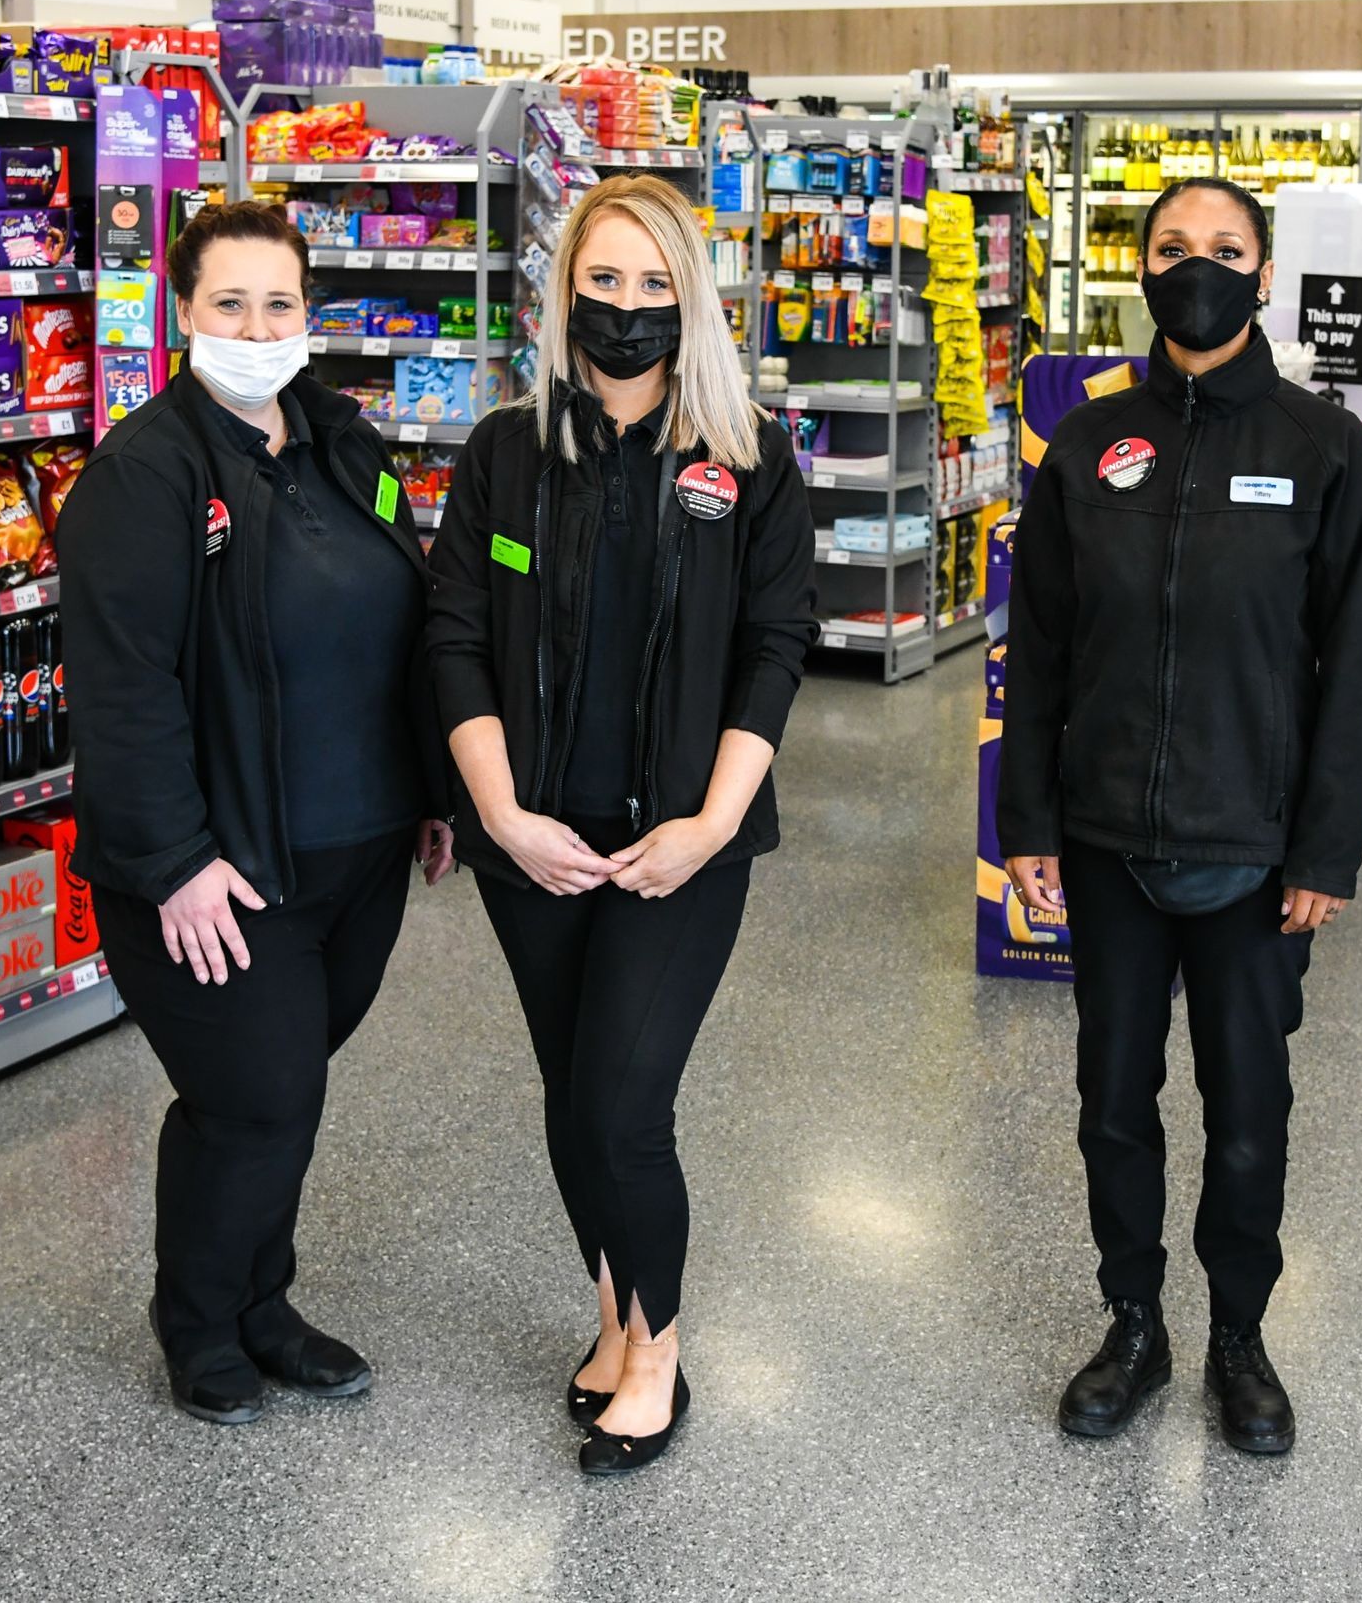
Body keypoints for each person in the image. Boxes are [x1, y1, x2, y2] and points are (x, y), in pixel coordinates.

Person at [425, 174, 817, 1476]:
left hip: (682, 845)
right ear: (565, 290)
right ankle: (609, 1313)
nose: (628, 307)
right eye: (605, 281)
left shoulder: (749, 458)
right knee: (568, 1097)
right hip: (533, 842)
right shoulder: (504, 453)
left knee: (621, 1100)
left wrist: (712, 822)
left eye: (656, 285)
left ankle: (657, 1347)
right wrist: (499, 813)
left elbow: (772, 651)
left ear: (693, 299)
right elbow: (458, 638)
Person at [998, 177, 1362, 1456]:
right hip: (1105, 839)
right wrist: (1029, 830)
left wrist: (1325, 848)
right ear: (1138, 269)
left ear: (1263, 274)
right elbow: (1039, 651)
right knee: (1112, 1100)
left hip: (1256, 851)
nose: (1197, 268)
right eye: (1172, 249)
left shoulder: (1322, 448)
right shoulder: (1085, 443)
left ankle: (1236, 1335)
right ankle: (1131, 1325)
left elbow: (1351, 667)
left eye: (1224, 250)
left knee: (1245, 1111)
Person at [57, 201, 455, 1426]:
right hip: (221, 863)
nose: (255, 325)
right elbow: (122, 689)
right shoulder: (145, 473)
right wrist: (174, 861)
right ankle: (200, 1323)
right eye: (228, 303)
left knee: (281, 1091)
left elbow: (414, 626)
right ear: (183, 316)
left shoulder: (344, 444)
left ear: (307, 318)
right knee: (257, 1094)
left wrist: (436, 790)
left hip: (362, 845)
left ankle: (262, 1303)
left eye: (278, 303)